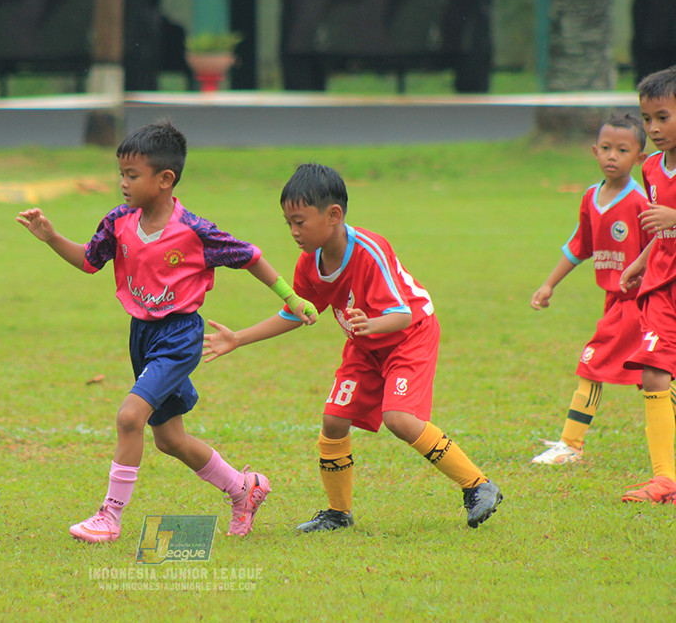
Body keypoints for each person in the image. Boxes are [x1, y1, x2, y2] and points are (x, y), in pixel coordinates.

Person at [16, 121, 317, 543]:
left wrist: (291, 297)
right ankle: (243, 488)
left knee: (129, 418)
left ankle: (110, 516)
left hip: (179, 337)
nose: (122, 183)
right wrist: (50, 238)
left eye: (132, 175)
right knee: (170, 439)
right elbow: (88, 261)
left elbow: (249, 257)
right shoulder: (118, 222)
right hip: (142, 335)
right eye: (121, 174)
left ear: (164, 179)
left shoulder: (194, 230)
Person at [203, 163, 502, 531]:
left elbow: (403, 315)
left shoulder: (370, 251)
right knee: (334, 420)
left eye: (300, 221)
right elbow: (296, 313)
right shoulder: (309, 263)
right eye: (288, 223)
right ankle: (338, 513)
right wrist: (239, 338)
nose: (293, 231)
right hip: (365, 346)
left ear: (333, 215)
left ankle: (478, 485)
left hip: (409, 338)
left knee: (399, 419)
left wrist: (371, 324)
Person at [530, 113, 650, 465]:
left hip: (638, 303)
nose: (613, 156)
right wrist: (549, 284)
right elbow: (579, 245)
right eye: (607, 148)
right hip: (613, 302)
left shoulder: (640, 202)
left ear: (639, 158)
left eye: (623, 150)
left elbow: (660, 247)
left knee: (592, 363)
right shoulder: (590, 198)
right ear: (594, 151)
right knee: (653, 377)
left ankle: (571, 444)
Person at [619, 65, 676, 504]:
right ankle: (664, 480)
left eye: (663, 117)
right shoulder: (652, 167)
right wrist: (640, 262)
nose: (653, 128)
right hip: (661, 283)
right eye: (647, 119)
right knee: (654, 370)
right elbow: (661, 229)